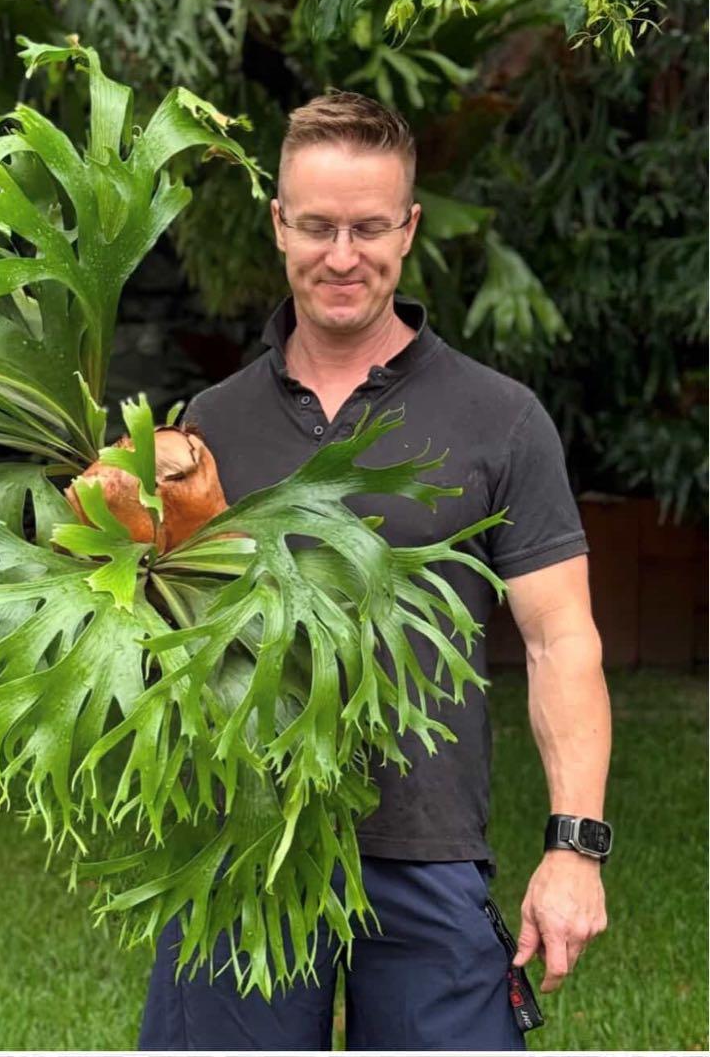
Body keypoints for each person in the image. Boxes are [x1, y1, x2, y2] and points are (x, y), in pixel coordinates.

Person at [138, 91, 612, 1051]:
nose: (343, 256)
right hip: (247, 842)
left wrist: (576, 847)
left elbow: (561, 640)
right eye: (318, 227)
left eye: (368, 227)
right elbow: (169, 637)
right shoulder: (209, 424)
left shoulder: (500, 418)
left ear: (410, 227)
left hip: (427, 850)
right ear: (279, 225)